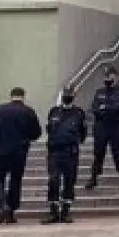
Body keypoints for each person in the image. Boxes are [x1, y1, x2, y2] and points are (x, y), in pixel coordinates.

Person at [0, 86, 42, 224]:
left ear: (11, 96)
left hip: (2, 150)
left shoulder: (1, 109)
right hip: (20, 152)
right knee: (15, 181)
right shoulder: (29, 112)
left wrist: (0, 138)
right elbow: (37, 133)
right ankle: (10, 211)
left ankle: (2, 204)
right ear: (23, 96)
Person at [43, 87, 88, 224]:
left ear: (73, 96)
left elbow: (83, 132)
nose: (67, 96)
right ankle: (54, 211)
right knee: (53, 180)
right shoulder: (54, 111)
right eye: (65, 94)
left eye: (69, 94)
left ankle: (66, 211)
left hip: (70, 152)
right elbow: (49, 129)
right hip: (54, 151)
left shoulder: (78, 113)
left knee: (69, 181)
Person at [85, 68, 119, 190]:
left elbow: (117, 107)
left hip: (115, 126)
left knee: (118, 152)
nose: (108, 79)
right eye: (106, 76)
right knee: (98, 153)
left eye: (110, 76)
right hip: (101, 127)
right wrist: (106, 109)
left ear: (115, 77)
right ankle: (93, 177)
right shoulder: (99, 92)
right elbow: (95, 109)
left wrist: (105, 107)